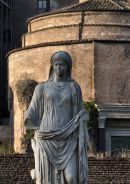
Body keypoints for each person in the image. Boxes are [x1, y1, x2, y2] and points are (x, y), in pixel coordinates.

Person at [24, 51, 89, 184]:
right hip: (46, 136)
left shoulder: (74, 88)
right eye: (56, 64)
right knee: (45, 179)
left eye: (62, 65)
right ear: (52, 66)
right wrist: (27, 117)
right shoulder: (41, 88)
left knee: (71, 178)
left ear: (68, 68)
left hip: (68, 137)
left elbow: (80, 111)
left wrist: (83, 116)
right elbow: (33, 109)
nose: (59, 67)